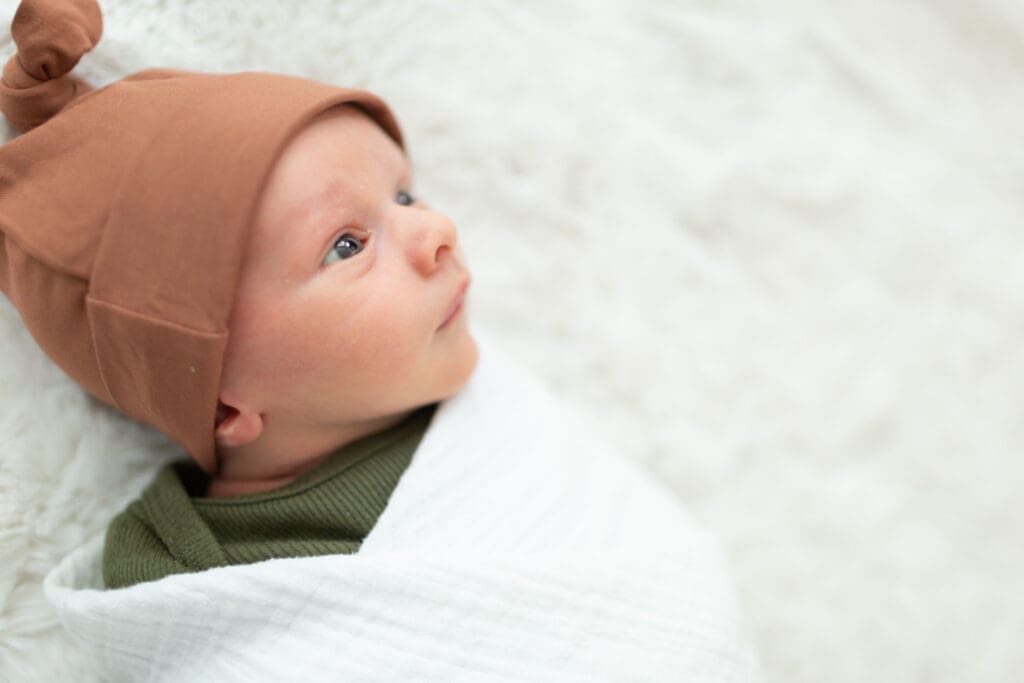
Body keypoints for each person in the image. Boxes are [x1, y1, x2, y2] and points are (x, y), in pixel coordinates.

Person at [2, 1, 760, 679]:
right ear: (227, 404)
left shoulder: (490, 420)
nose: (436, 230)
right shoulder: (177, 572)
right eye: (346, 244)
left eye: (405, 193)